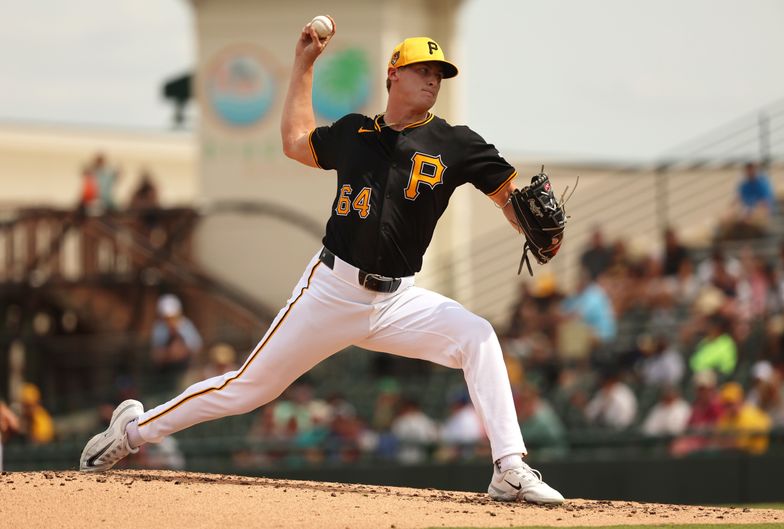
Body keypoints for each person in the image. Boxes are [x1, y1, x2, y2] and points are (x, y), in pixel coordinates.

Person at [78, 21, 564, 505]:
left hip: (399, 300)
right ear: (393, 74)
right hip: (332, 290)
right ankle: (133, 432)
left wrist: (531, 225)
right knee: (247, 389)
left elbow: (510, 199)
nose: (432, 78)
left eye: (439, 72)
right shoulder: (355, 133)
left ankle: (509, 467)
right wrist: (304, 63)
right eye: (421, 68)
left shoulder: (457, 143)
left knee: (477, 336)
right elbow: (295, 140)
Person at [150, 294, 203, 392]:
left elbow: (195, 347)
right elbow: (157, 356)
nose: (170, 321)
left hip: (185, 373)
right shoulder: (159, 329)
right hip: (165, 376)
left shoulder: (186, 325)